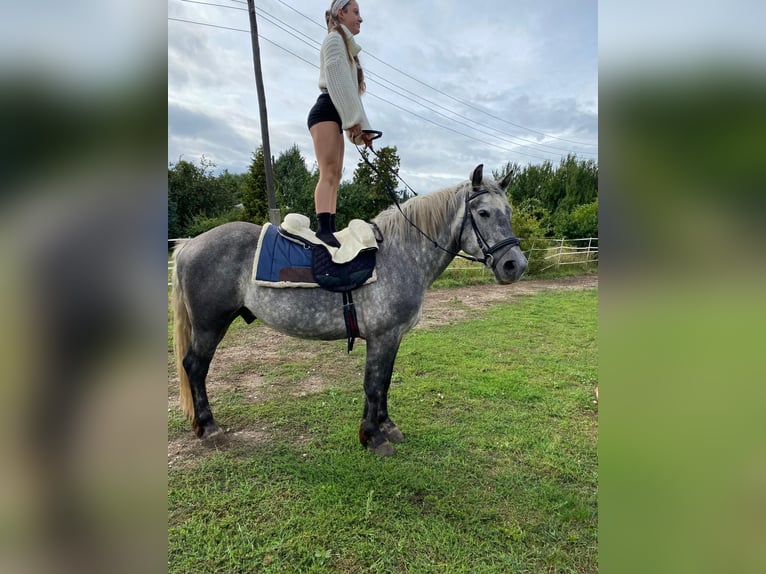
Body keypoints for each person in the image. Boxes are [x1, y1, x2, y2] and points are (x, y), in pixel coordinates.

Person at [307, 0, 375, 247]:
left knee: (335, 175)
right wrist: (352, 121)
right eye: (356, 12)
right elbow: (337, 84)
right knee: (328, 173)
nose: (360, 18)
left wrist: (361, 129)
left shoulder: (345, 47)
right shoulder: (334, 40)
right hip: (326, 109)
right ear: (341, 12)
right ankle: (323, 233)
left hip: (335, 113)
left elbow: (351, 94)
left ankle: (330, 229)